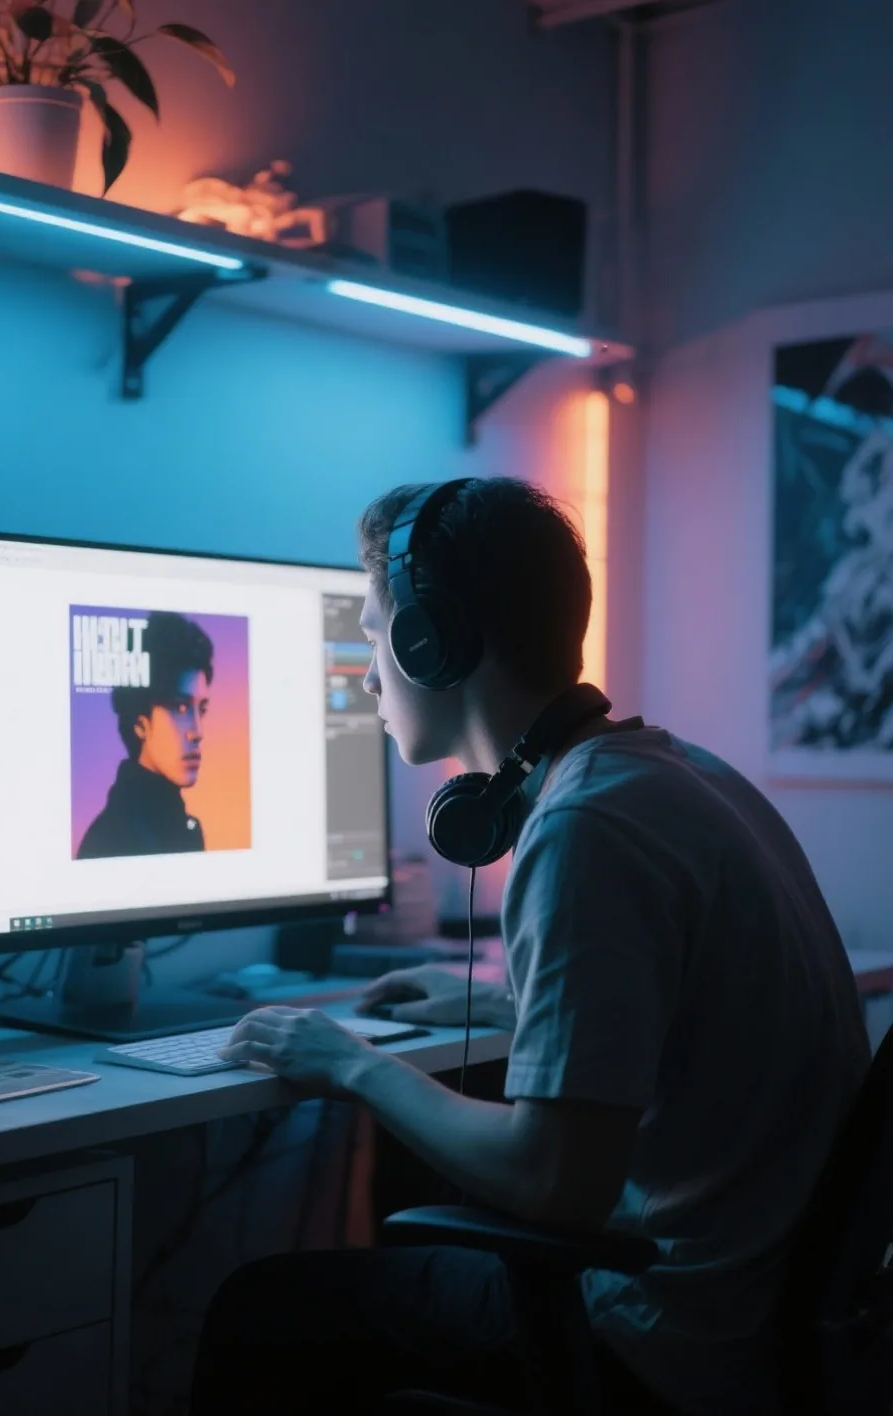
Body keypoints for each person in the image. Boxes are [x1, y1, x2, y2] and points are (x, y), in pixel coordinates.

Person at [189, 477, 871, 1415]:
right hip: (760, 1320)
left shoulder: (586, 823)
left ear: (433, 642)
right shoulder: (678, 776)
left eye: (373, 631)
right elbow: (688, 1016)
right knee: (412, 1187)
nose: (365, 668)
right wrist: (506, 1003)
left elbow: (558, 1185)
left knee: (257, 1311)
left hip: (663, 1342)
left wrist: (350, 1064)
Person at [76, 611, 212, 859]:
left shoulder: (184, 829)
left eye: (201, 709)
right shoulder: (116, 838)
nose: (198, 732)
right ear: (140, 724)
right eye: (180, 707)